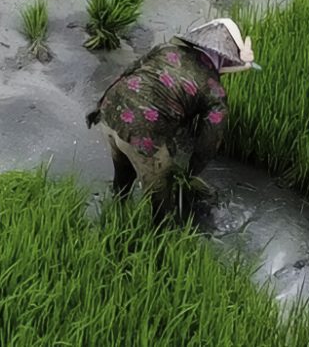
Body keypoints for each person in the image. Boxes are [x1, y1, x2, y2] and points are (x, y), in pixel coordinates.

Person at [86, 18, 259, 223]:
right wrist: (191, 171)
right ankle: (157, 239)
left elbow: (129, 71)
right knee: (161, 193)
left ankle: (115, 209)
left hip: (110, 109)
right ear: (226, 60)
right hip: (141, 131)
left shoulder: (165, 49)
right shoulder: (214, 90)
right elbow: (210, 139)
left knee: (123, 170)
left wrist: (98, 107)